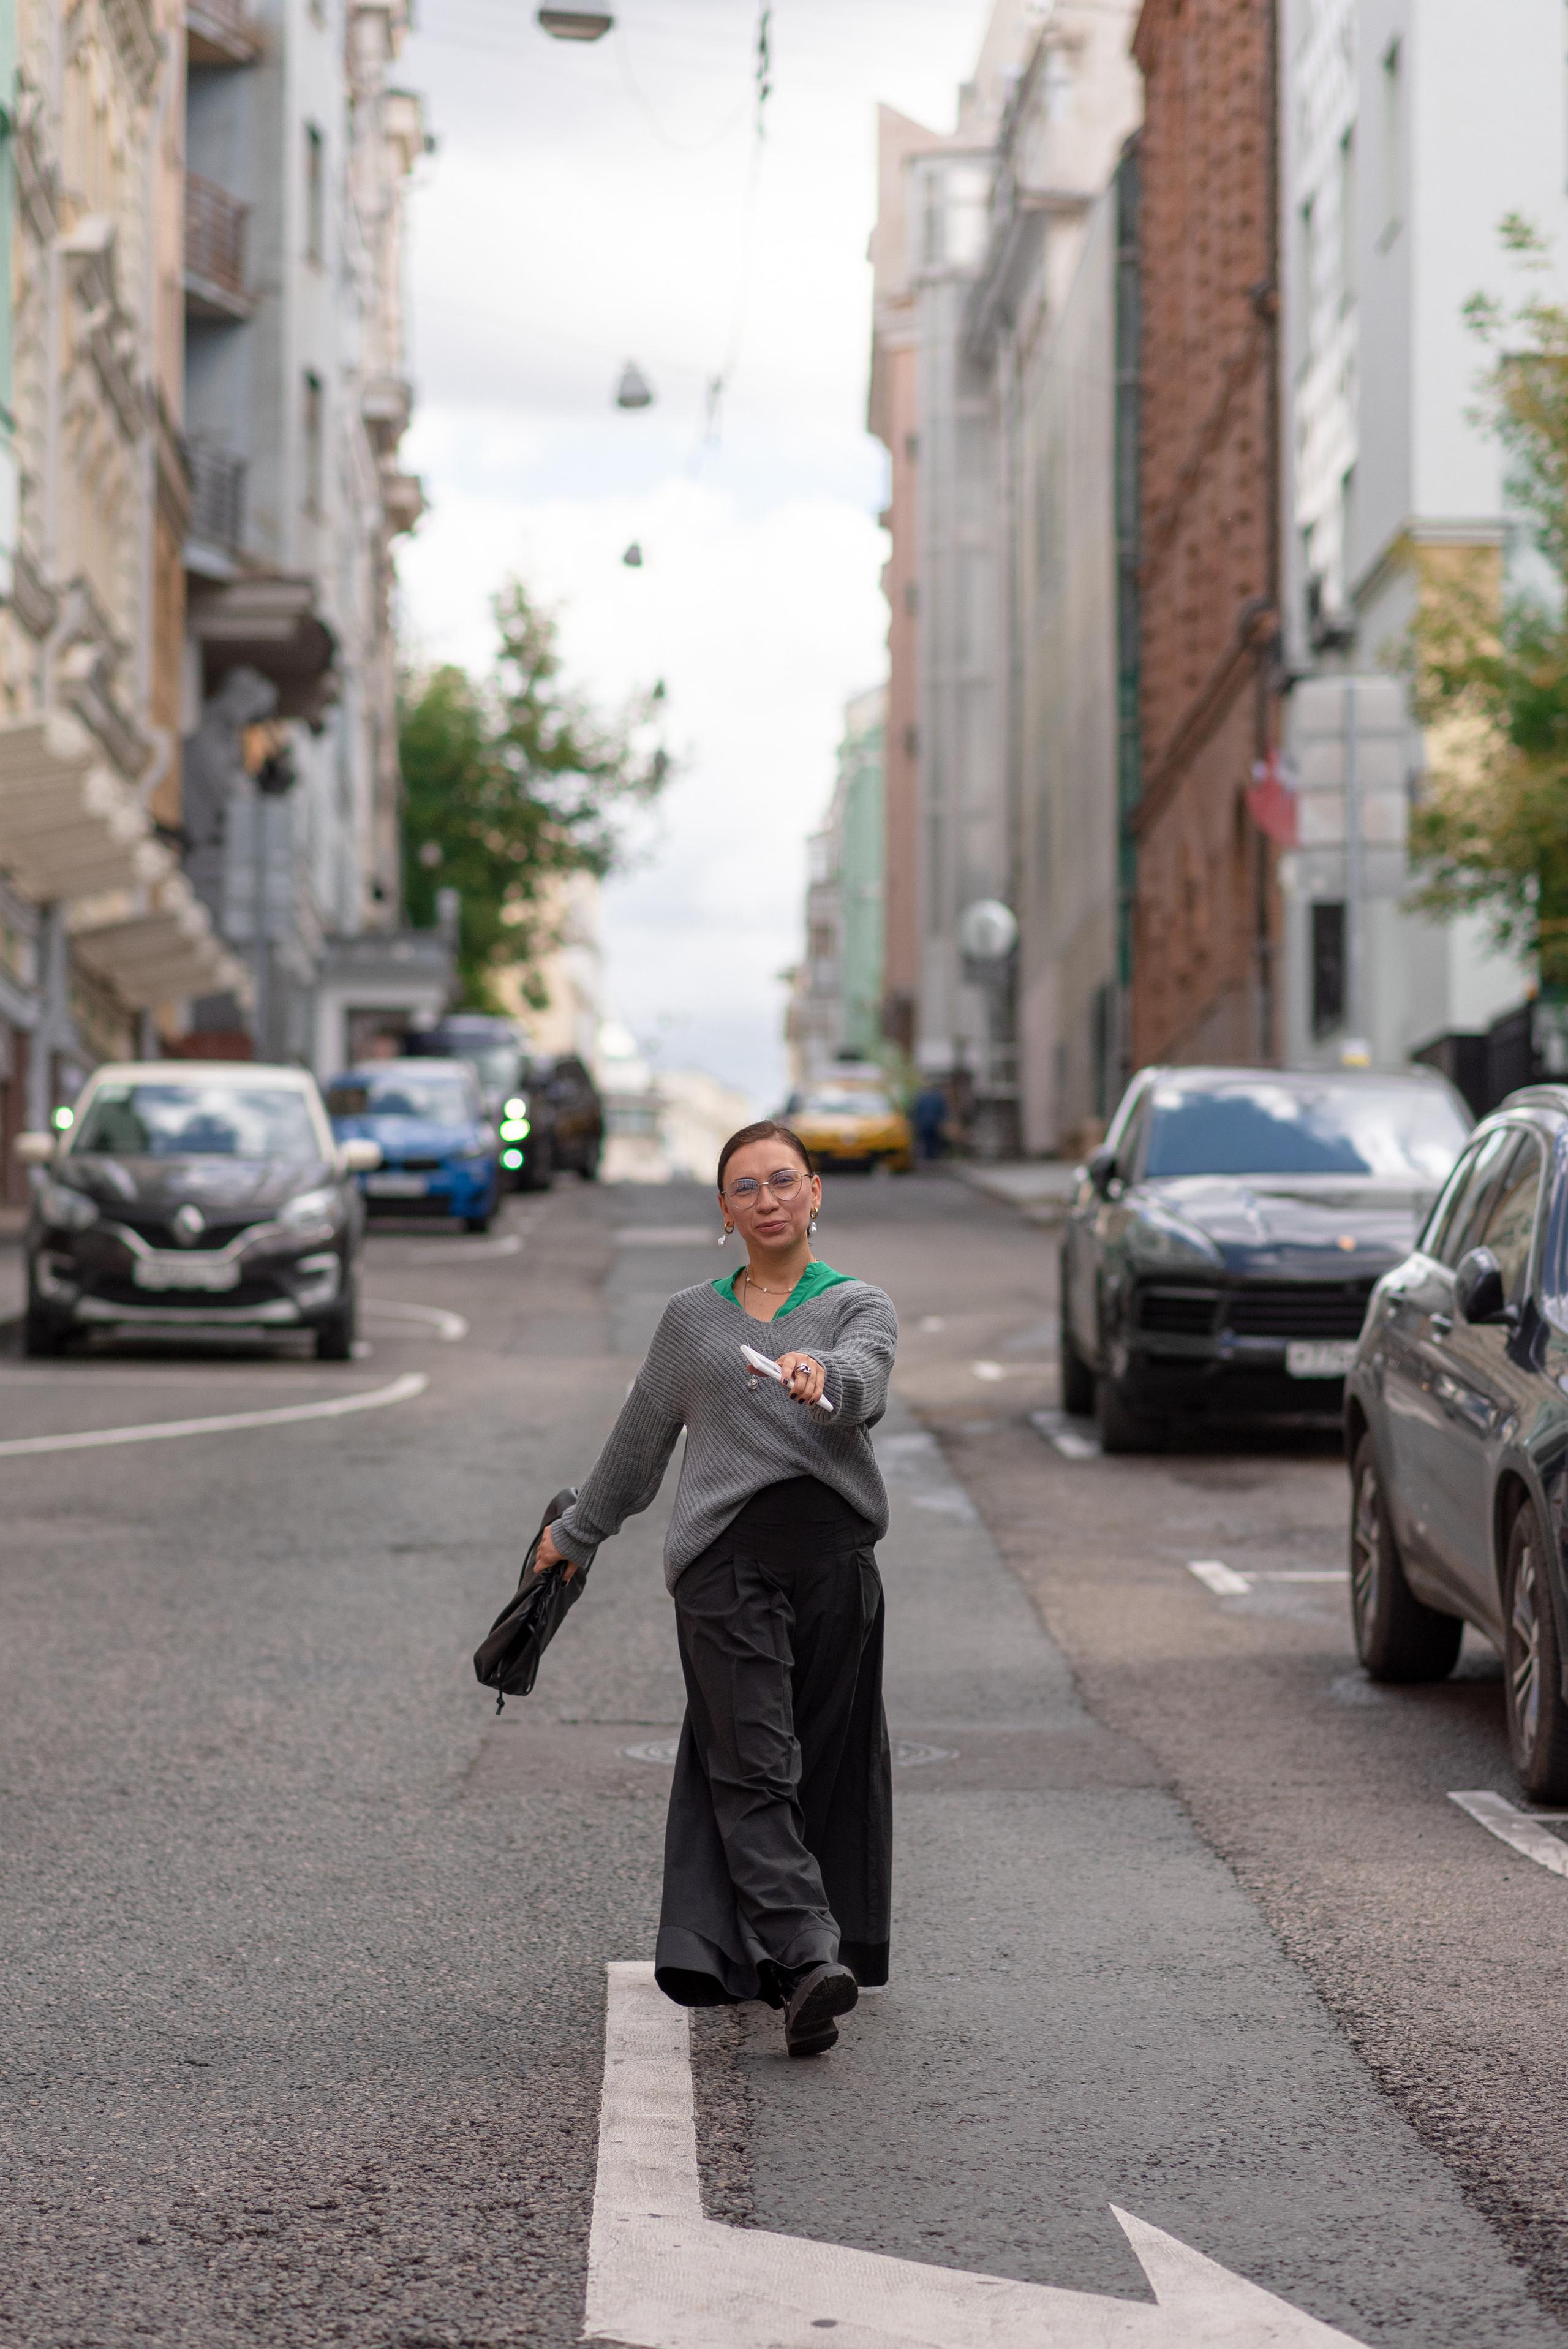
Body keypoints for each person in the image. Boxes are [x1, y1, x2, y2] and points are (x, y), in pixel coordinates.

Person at [534, 1119, 897, 2058]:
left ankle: (782, 1959)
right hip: (724, 1562)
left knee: (814, 1760)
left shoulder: (858, 1304)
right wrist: (576, 1537)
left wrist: (825, 1377)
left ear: (817, 1193)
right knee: (754, 1763)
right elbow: (639, 1443)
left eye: (784, 1181)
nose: (768, 1199)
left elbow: (867, 1376)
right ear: (725, 1212)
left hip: (834, 1558)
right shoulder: (692, 1319)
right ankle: (811, 1956)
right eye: (747, 1187)